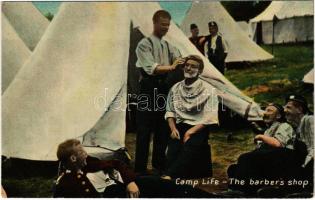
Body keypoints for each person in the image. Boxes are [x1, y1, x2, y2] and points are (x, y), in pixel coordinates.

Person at [53, 139, 215, 198]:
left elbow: (117, 164)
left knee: (168, 185)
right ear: (73, 158)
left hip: (130, 185)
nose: (85, 153)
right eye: (81, 151)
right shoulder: (66, 183)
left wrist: (130, 182)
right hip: (120, 195)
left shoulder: (90, 162)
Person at [134, 10, 185, 174]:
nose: (165, 28)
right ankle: (140, 169)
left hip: (163, 88)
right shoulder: (144, 44)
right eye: (163, 24)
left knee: (162, 128)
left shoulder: (167, 44)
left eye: (168, 25)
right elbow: (151, 68)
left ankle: (158, 164)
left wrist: (182, 61)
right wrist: (171, 66)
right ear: (154, 23)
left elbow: (178, 56)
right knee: (144, 131)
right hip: (148, 89)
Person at [163, 55, 218, 179]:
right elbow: (170, 111)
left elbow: (210, 117)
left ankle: (170, 176)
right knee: (173, 149)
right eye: (187, 66)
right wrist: (173, 129)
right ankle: (171, 175)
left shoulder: (208, 89)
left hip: (199, 127)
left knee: (189, 147)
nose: (189, 68)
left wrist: (190, 132)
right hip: (179, 126)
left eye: (193, 66)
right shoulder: (176, 88)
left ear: (200, 71)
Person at [227, 103, 297, 196]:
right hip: (271, 159)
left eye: (269, 110)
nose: (265, 113)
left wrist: (261, 136)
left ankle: (241, 191)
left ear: (279, 116)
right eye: (265, 110)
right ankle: (244, 190)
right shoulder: (268, 130)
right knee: (234, 168)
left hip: (284, 159)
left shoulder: (284, 126)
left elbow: (277, 143)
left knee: (246, 158)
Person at [284, 94, 313, 192]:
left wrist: (306, 165)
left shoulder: (310, 120)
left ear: (299, 109)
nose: (284, 110)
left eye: (288, 107)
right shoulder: (297, 128)